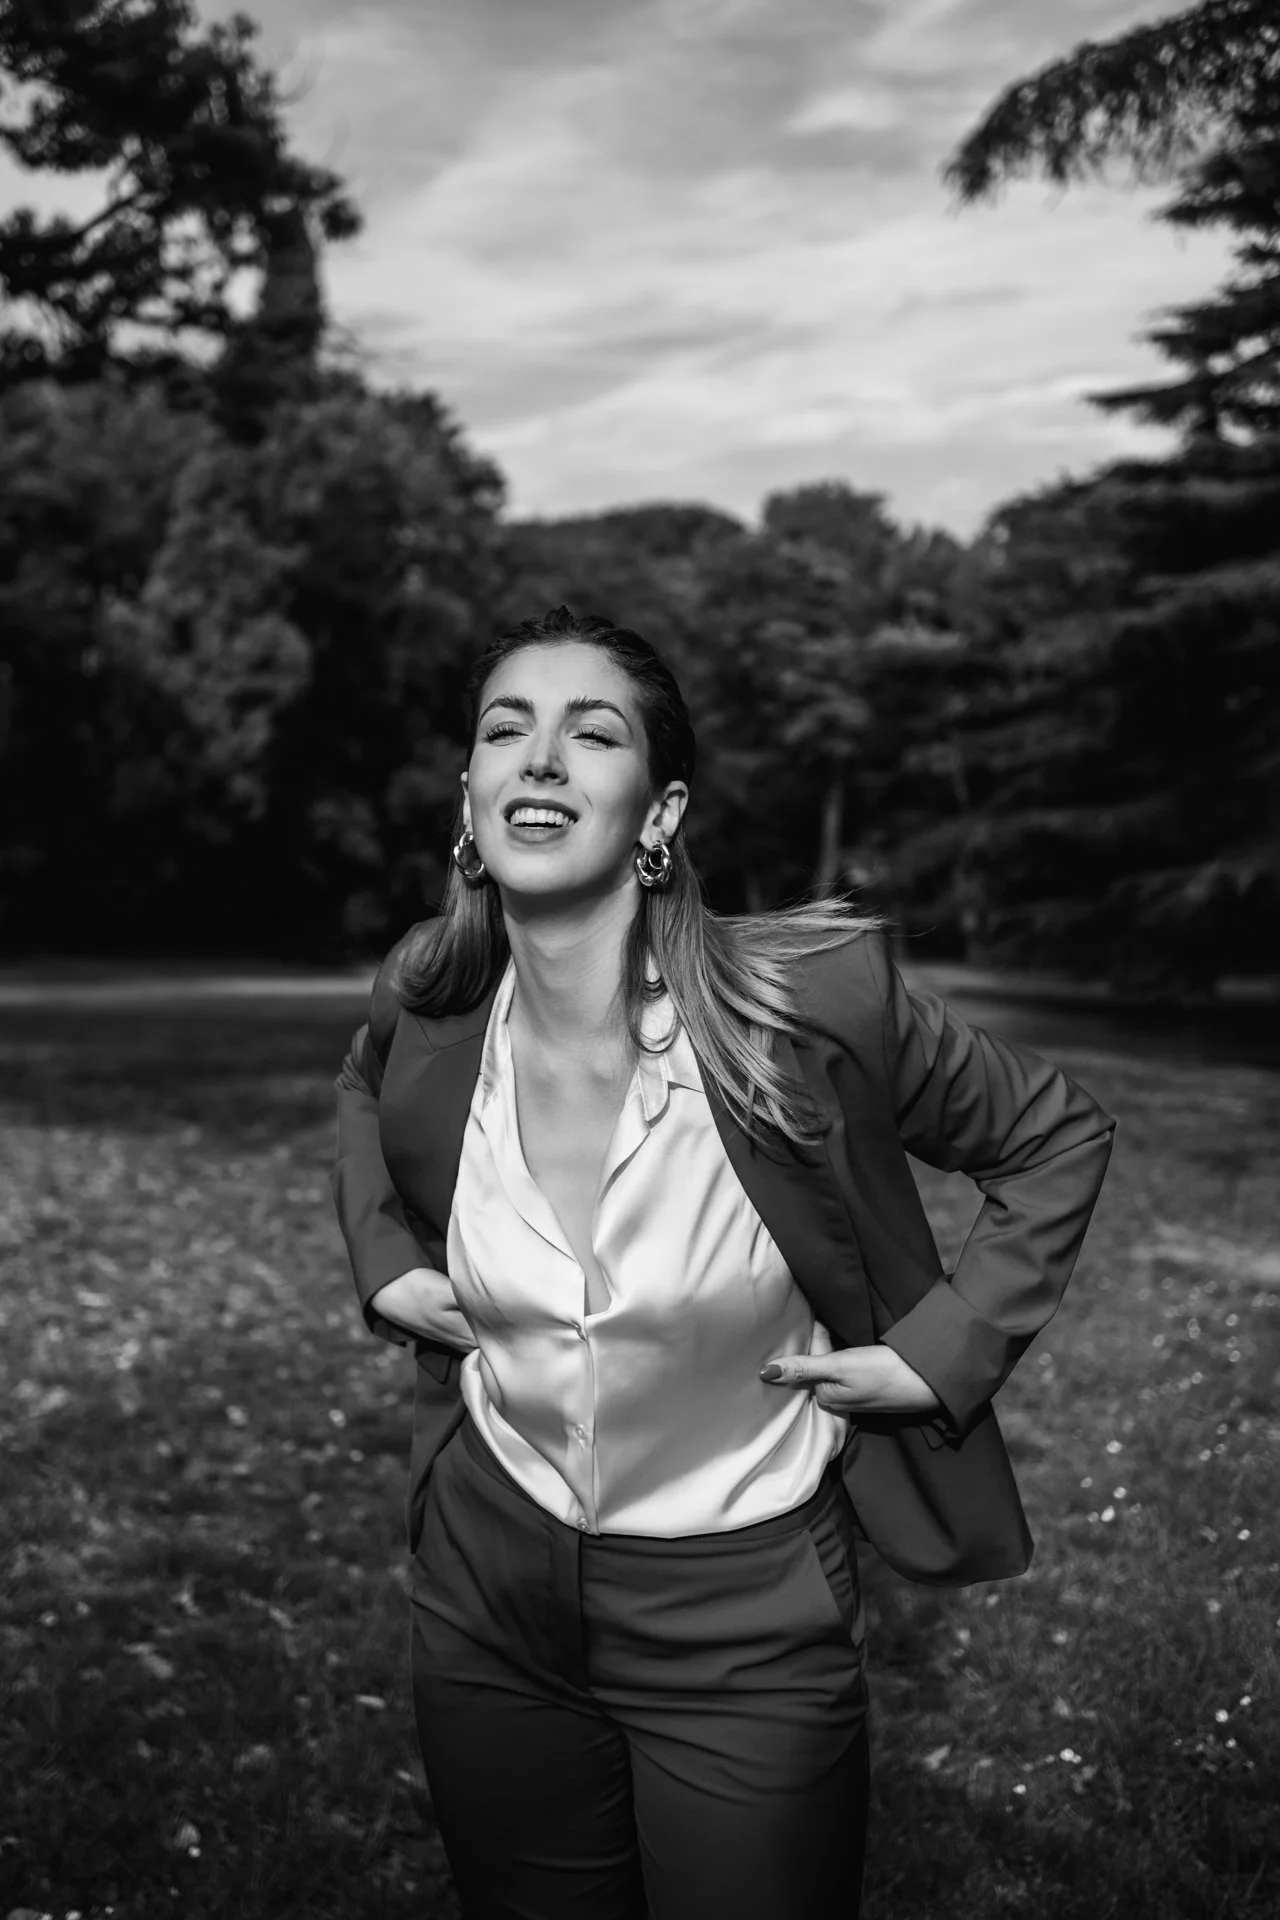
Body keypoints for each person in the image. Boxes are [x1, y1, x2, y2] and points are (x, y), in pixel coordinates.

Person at [329, 604, 1116, 1920]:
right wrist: (380, 1257)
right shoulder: (424, 996)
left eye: (592, 733)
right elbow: (362, 1099)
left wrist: (939, 1356)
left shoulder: (808, 1011)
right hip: (481, 1601)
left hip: (744, 1619)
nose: (540, 757)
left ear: (657, 813)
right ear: (468, 802)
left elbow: (1054, 1136)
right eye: (505, 729)